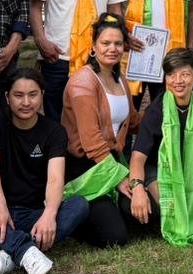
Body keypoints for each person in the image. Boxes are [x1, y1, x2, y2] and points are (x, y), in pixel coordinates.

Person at [0, 68, 88, 274]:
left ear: (42, 95)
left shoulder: (54, 131)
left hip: (32, 215)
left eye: (33, 95)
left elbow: (55, 178)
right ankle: (26, 250)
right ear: (7, 97)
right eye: (18, 95)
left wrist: (49, 214)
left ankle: (10, 255)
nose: (26, 102)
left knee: (79, 204)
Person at [125, 48, 193, 245]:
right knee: (170, 206)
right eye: (171, 75)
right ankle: (188, 214)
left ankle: (188, 213)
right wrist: (137, 188)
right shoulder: (156, 110)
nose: (178, 81)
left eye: (185, 74)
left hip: (192, 168)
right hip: (159, 171)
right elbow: (138, 158)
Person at [60, 14, 145, 247]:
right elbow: (91, 140)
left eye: (118, 43)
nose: (112, 49)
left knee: (141, 218)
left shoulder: (121, 80)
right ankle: (71, 216)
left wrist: (163, 109)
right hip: (87, 166)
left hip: (114, 160)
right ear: (93, 46)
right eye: (106, 43)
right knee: (115, 237)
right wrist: (118, 178)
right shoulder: (82, 82)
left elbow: (133, 122)